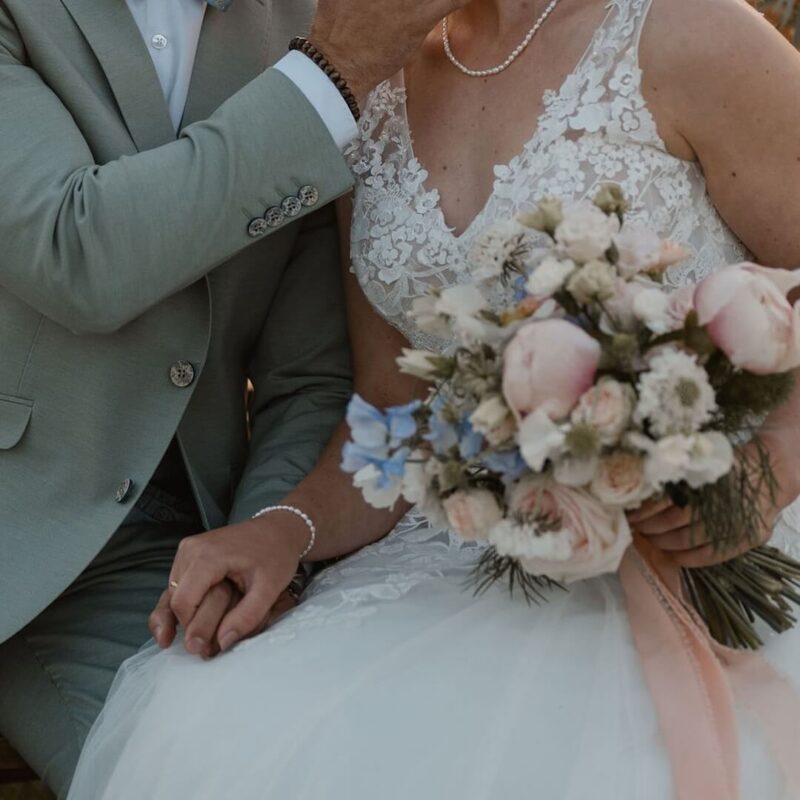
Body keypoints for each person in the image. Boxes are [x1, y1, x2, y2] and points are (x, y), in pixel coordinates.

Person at [68, 0, 800, 797]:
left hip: (720, 535)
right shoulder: (369, 84)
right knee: (217, 729)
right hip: (477, 554)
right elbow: (398, 413)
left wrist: (772, 461)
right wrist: (283, 529)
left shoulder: (690, 33)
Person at [0, 0, 472, 796]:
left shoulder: (306, 15)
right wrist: (325, 80)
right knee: (202, 773)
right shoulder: (330, 56)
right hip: (29, 541)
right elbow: (71, 250)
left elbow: (310, 374)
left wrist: (266, 542)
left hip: (200, 529)